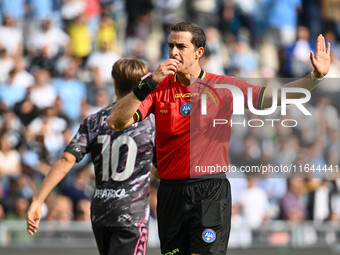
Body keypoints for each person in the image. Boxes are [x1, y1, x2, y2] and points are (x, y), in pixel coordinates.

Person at [107, 21, 330, 255]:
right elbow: (116, 121)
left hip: (209, 191)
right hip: (170, 193)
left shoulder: (222, 87)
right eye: (170, 45)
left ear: (198, 52)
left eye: (181, 46)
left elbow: (273, 98)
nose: (173, 52)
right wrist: (149, 82)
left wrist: (314, 78)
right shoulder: (156, 87)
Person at [26, 58, 155, 255]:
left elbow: (67, 159)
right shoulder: (151, 121)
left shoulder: (95, 120)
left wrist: (38, 199)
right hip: (132, 213)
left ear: (114, 83)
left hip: (102, 211)